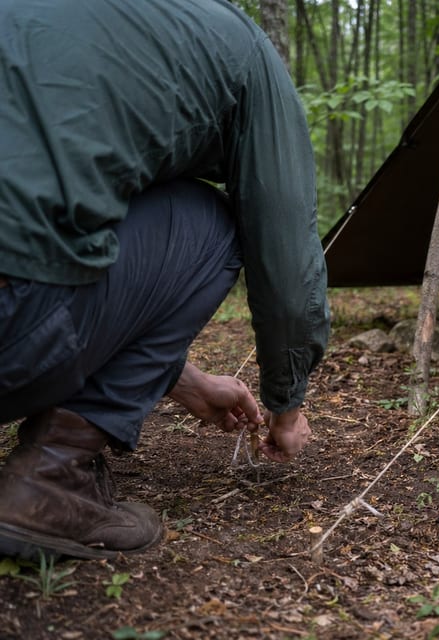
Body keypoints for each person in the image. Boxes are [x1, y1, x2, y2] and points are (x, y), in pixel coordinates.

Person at [0, 0, 331, 560]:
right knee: (211, 222)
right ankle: (50, 480)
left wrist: (183, 380)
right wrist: (287, 406)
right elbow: (285, 253)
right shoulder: (241, 49)